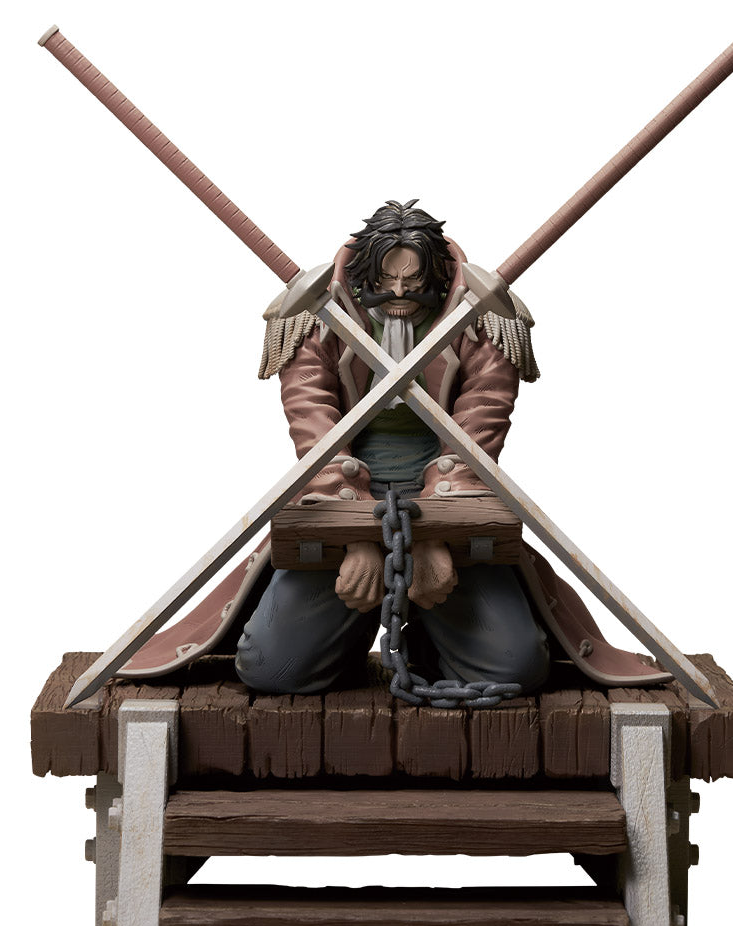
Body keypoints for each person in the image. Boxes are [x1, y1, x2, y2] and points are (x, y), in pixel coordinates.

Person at [116, 201, 672, 695]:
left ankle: (429, 638)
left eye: (414, 280)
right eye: (387, 279)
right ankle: (345, 636)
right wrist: (355, 536)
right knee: (273, 669)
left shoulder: (485, 319)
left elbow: (481, 428)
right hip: (338, 492)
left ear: (437, 275)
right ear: (365, 275)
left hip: (450, 490)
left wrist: (438, 534)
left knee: (514, 668)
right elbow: (312, 426)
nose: (401, 293)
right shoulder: (314, 316)